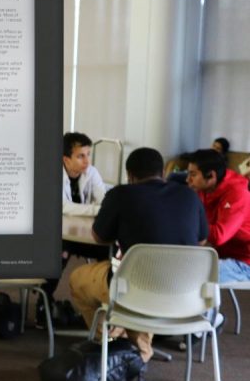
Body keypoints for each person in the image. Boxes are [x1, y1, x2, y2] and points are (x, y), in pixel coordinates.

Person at [68, 147, 208, 363]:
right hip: (185, 295)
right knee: (143, 280)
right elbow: (201, 241)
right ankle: (134, 340)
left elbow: (99, 237)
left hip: (135, 291)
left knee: (78, 279)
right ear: (162, 173)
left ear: (130, 175)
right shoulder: (189, 196)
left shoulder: (120, 194)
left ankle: (110, 344)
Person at [38, 132, 110, 326]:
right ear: (66, 159)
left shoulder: (91, 172)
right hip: (56, 234)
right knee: (59, 250)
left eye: (88, 154)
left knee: (107, 250)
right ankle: (43, 303)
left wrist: (97, 208)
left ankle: (106, 303)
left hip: (83, 234)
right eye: (81, 156)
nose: (87, 161)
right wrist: (95, 209)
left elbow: (104, 200)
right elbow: (62, 207)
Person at [185, 148, 250, 284]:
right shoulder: (204, 189)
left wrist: (186, 224)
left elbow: (219, 236)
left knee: (199, 278)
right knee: (179, 268)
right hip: (219, 254)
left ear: (211, 176)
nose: (187, 179)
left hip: (244, 262)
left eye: (193, 174)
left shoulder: (237, 193)